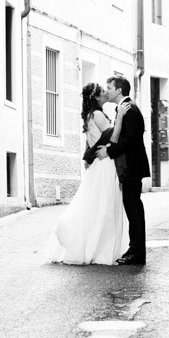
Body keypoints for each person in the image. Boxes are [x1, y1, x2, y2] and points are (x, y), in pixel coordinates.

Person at [44, 83, 129, 265]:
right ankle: (99, 248)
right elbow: (113, 136)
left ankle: (93, 244)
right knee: (104, 206)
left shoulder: (91, 115)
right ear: (97, 98)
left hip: (98, 163)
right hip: (104, 163)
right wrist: (120, 116)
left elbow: (92, 141)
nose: (106, 93)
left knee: (96, 205)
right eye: (103, 92)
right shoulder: (98, 115)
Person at [106, 74, 151, 265]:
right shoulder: (126, 108)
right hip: (131, 166)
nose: (107, 91)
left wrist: (109, 151)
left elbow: (131, 139)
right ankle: (135, 250)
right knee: (133, 209)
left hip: (132, 166)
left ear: (119, 90)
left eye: (109, 87)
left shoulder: (130, 110)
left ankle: (137, 253)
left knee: (133, 210)